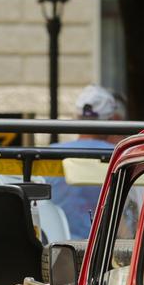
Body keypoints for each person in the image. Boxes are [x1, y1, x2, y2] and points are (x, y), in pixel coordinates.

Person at [49, 84, 128, 238]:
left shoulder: (51, 154)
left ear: (78, 117)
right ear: (111, 119)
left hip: (57, 250)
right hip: (102, 254)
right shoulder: (120, 156)